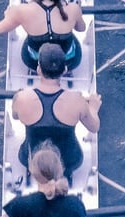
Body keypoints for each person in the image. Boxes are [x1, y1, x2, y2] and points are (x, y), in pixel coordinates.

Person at [11, 42, 101, 182]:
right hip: (70, 162)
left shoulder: (21, 98)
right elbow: (94, 127)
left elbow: (15, 116)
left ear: (39, 69)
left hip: (29, 159)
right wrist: (93, 108)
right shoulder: (77, 100)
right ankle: (65, 175)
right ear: (64, 69)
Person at [0, 0, 85, 72]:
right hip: (70, 62)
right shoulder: (74, 8)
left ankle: (38, 70)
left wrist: (8, 15)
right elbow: (81, 29)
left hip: (34, 62)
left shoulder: (21, 11)